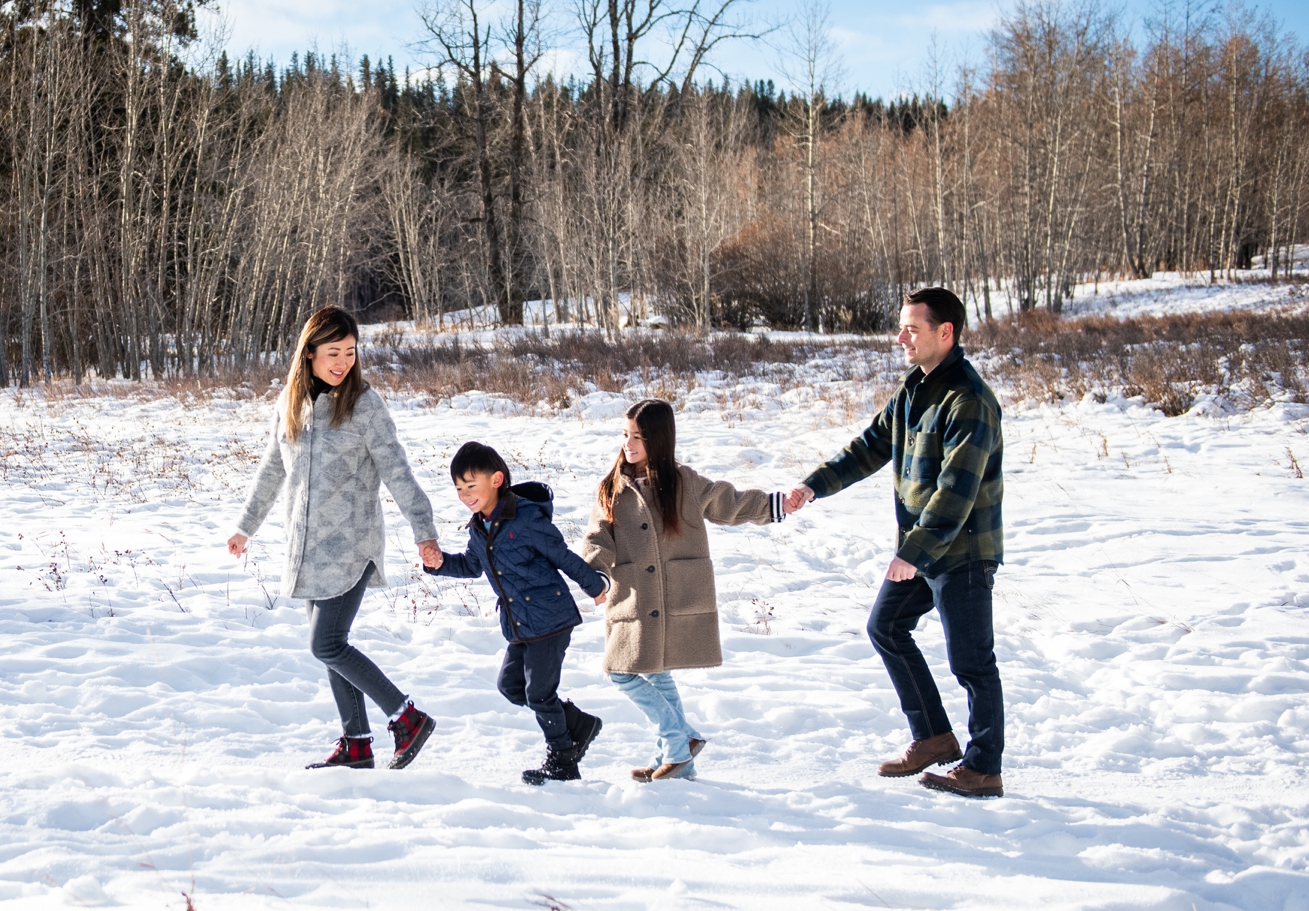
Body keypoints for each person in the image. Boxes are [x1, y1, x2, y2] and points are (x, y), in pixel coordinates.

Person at [784, 287, 1006, 798]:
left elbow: (956, 491)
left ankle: (983, 767)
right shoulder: (915, 390)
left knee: (972, 661)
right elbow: (869, 446)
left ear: (944, 333)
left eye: (912, 328)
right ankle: (931, 737)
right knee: (886, 626)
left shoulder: (967, 402)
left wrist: (913, 551)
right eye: (902, 326)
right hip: (926, 550)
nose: (900, 336)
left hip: (963, 551)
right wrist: (814, 484)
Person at [227, 306, 444, 771]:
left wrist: (424, 531)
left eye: (349, 352)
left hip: (351, 547)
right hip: (306, 548)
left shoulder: (364, 404)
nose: (342, 361)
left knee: (326, 644)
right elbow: (272, 468)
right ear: (309, 353)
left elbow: (397, 470)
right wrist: (246, 526)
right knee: (332, 650)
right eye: (332, 352)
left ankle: (406, 718)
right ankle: (357, 744)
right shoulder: (291, 401)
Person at [582, 398, 788, 782]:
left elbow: (730, 503)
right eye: (625, 435)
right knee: (623, 670)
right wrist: (594, 573)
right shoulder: (612, 488)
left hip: (676, 596)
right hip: (634, 599)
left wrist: (775, 505)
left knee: (648, 673)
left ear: (659, 440)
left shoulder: (683, 482)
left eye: (638, 437)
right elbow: (598, 537)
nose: (629, 444)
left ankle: (676, 750)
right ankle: (681, 746)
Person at [425, 442, 609, 785]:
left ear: (496, 480)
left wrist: (594, 585)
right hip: (520, 624)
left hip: (550, 618)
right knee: (511, 687)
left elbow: (561, 555)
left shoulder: (526, 519)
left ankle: (563, 760)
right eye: (459, 488)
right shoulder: (479, 526)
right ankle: (579, 724)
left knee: (539, 693)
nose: (465, 494)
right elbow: (470, 565)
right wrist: (439, 564)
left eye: (471, 485)